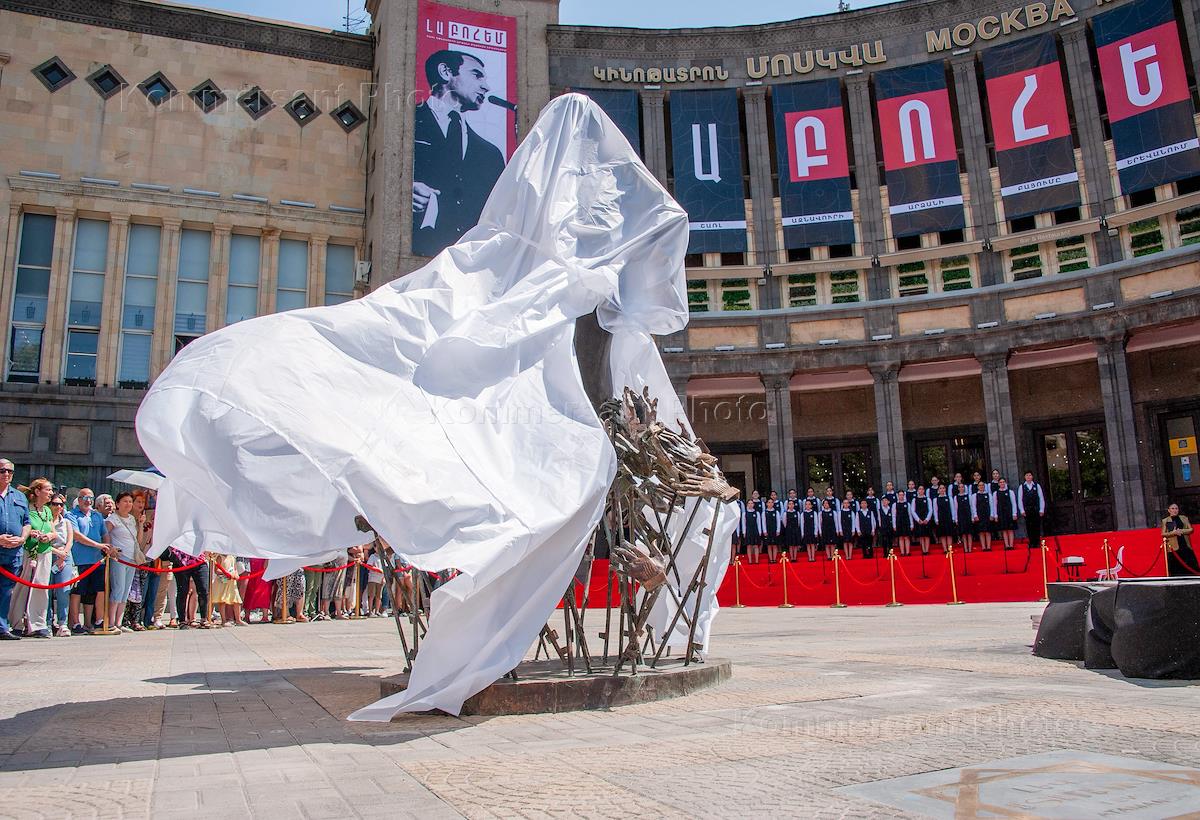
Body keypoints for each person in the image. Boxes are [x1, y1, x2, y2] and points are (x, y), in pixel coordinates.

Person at [411, 49, 506, 256]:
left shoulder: (490, 153)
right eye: (477, 75)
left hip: (471, 261)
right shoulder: (407, 122)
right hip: (416, 255)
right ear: (445, 72)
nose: (486, 86)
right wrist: (405, 191)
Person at [9, 478, 55, 638]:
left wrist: (49, 536)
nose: (51, 493)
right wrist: (30, 533)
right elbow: (21, 527)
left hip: (45, 552)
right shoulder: (26, 508)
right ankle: (16, 623)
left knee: (41, 587)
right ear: (37, 491)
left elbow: (53, 531)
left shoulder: (47, 510)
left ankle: (37, 624)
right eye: (48, 490)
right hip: (28, 551)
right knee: (22, 586)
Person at [66, 488, 107, 634]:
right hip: (80, 560)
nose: (88, 501)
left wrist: (107, 547)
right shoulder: (71, 515)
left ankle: (97, 621)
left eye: (90, 498)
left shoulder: (97, 515)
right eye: (84, 498)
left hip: (97, 560)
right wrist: (98, 545)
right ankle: (75, 623)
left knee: (98, 591)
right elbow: (76, 535)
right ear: (79, 499)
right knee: (77, 592)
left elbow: (104, 534)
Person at [0, 458, 30, 641]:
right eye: (2, 471)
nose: (6, 474)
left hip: (13, 552)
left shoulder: (19, 496)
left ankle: (2, 627)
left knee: (6, 592)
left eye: (10, 471)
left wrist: (22, 538)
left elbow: (26, 522)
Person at [103, 492, 140, 632]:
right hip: (119, 557)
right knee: (118, 588)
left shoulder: (132, 518)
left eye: (130, 501)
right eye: (125, 501)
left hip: (132, 558)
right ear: (117, 503)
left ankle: (119, 622)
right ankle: (111, 622)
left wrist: (141, 524)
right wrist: (110, 548)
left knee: (126, 590)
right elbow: (105, 534)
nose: (128, 504)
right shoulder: (112, 519)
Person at [47, 493, 75, 637]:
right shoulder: (46, 521)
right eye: (55, 504)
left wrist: (63, 554)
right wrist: (56, 552)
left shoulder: (66, 522)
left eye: (61, 504)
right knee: (46, 591)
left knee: (63, 590)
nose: (58, 507)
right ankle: (47, 622)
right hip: (49, 554)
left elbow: (70, 540)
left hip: (65, 556)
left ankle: (62, 623)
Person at [210, 552, 245, 625]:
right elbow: (217, 570)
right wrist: (226, 573)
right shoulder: (220, 557)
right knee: (222, 600)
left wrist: (236, 574)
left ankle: (238, 619)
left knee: (237, 600)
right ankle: (223, 620)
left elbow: (235, 569)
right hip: (222, 581)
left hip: (231, 582)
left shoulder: (232, 557)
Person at [1162, 503, 1195, 577]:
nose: (1175, 510)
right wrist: (1173, 533)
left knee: (1190, 566)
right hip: (1174, 547)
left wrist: (1181, 531)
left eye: (1176, 508)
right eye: (1172, 508)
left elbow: (1191, 529)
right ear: (1169, 510)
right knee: (1176, 568)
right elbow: (1163, 534)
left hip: (1185, 545)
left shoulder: (1184, 518)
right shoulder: (1165, 520)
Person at [1018, 471, 1047, 549]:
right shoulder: (1022, 487)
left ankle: (1037, 542)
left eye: (1030, 475)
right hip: (1027, 510)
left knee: (1036, 525)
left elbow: (1041, 498)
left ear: (1032, 476)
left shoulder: (1037, 486)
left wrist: (1041, 509)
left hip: (1036, 509)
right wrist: (1022, 510)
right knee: (1029, 526)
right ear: (1025, 477)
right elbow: (1020, 499)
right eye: (1027, 475)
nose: (1028, 477)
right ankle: (1031, 542)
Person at [991, 478, 1019, 551]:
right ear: (998, 484)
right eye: (1000, 482)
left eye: (1003, 482)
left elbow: (1013, 503)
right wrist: (995, 515)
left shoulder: (1010, 492)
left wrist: (1014, 513)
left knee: (1010, 529)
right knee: (1004, 530)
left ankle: (1011, 545)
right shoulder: (995, 493)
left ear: (1005, 483)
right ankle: (1007, 545)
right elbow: (994, 505)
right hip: (1001, 513)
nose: (1002, 483)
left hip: (1009, 512)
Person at [971, 480, 993, 552]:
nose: (981, 487)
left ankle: (988, 547)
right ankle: (983, 547)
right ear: (978, 487)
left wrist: (992, 514)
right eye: (980, 485)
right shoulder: (974, 496)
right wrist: (975, 515)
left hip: (987, 514)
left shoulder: (989, 495)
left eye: (982, 485)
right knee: (981, 532)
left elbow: (991, 505)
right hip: (979, 515)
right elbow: (973, 506)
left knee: (988, 531)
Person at [933, 485, 956, 555]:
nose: (942, 490)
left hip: (948, 517)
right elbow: (935, 510)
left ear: (945, 489)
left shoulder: (949, 498)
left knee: (949, 534)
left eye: (943, 488)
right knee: (942, 534)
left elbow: (952, 508)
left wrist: (953, 518)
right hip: (940, 518)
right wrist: (936, 519)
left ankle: (949, 549)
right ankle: (945, 549)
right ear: (938, 490)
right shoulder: (935, 499)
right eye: (940, 488)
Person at [911, 486, 933, 556]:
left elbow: (930, 510)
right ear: (917, 491)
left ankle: (927, 550)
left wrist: (927, 519)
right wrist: (918, 519)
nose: (921, 490)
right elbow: (912, 510)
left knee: (927, 535)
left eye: (922, 489)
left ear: (924, 490)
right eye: (919, 489)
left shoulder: (928, 499)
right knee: (921, 536)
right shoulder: (914, 499)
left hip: (926, 519)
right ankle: (923, 550)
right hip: (919, 519)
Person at [955, 484, 975, 553]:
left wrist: (972, 517)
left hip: (968, 516)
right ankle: (965, 549)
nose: (961, 488)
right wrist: (956, 519)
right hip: (961, 516)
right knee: (963, 533)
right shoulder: (956, 497)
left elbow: (971, 507)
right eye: (960, 487)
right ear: (958, 488)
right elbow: (955, 508)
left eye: (962, 487)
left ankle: (970, 548)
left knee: (969, 533)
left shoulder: (969, 496)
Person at [893, 490, 912, 557]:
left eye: (902, 495)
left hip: (906, 522)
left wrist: (911, 524)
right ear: (898, 496)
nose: (901, 496)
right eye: (900, 495)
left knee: (906, 537)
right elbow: (894, 515)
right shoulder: (895, 504)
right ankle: (902, 552)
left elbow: (910, 514)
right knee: (900, 537)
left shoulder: (907, 504)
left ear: (904, 495)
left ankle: (908, 552)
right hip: (899, 522)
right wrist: (894, 525)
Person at [763, 499, 782, 564]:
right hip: (768, 530)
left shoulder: (776, 512)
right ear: (767, 504)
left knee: (774, 545)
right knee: (769, 545)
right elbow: (763, 522)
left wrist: (778, 530)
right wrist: (764, 531)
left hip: (774, 530)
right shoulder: (764, 512)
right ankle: (771, 559)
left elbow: (778, 522)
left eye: (771, 502)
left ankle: (774, 559)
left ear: (773, 504)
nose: (770, 504)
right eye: (769, 502)